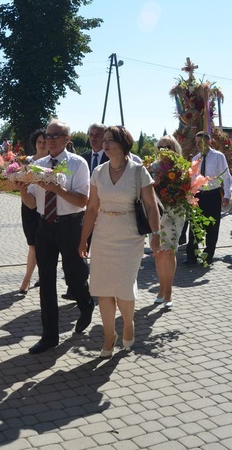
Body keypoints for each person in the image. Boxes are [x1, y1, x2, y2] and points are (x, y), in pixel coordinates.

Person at [79, 125, 161, 357]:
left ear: (123, 143)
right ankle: (108, 336)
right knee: (103, 288)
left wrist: (155, 235)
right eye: (103, 139)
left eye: (110, 139)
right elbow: (92, 208)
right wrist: (84, 239)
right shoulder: (99, 172)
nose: (105, 144)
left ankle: (127, 322)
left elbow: (151, 206)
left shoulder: (138, 171)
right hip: (103, 233)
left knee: (123, 287)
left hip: (130, 236)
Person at [19, 120, 94, 354]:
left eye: (56, 135)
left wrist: (57, 190)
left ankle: (86, 303)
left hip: (70, 226)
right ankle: (49, 336)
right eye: (48, 135)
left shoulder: (76, 164)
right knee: (46, 282)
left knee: (75, 276)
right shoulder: (38, 164)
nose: (50, 139)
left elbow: (83, 201)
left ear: (66, 139)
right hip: (45, 226)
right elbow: (31, 203)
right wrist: (21, 186)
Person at [185, 131, 231, 265]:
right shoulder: (195, 158)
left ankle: (207, 255)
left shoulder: (218, 157)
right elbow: (192, 178)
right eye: (196, 142)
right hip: (198, 196)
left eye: (201, 142)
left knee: (212, 227)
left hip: (213, 195)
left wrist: (227, 195)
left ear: (209, 142)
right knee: (194, 226)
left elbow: (226, 177)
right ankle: (191, 256)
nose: (198, 145)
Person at [149, 135, 185, 309]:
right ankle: (161, 289)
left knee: (169, 252)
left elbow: (188, 190)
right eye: (161, 147)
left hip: (174, 212)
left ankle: (169, 291)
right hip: (156, 213)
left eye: (168, 147)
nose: (164, 150)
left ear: (174, 149)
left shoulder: (181, 168)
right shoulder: (152, 168)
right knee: (158, 252)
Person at [18, 128, 48, 294]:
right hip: (28, 206)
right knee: (33, 244)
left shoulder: (54, 163)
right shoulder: (27, 162)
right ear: (35, 143)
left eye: (45, 142)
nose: (42, 145)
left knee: (36, 246)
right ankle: (40, 276)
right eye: (39, 142)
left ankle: (26, 280)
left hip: (45, 207)